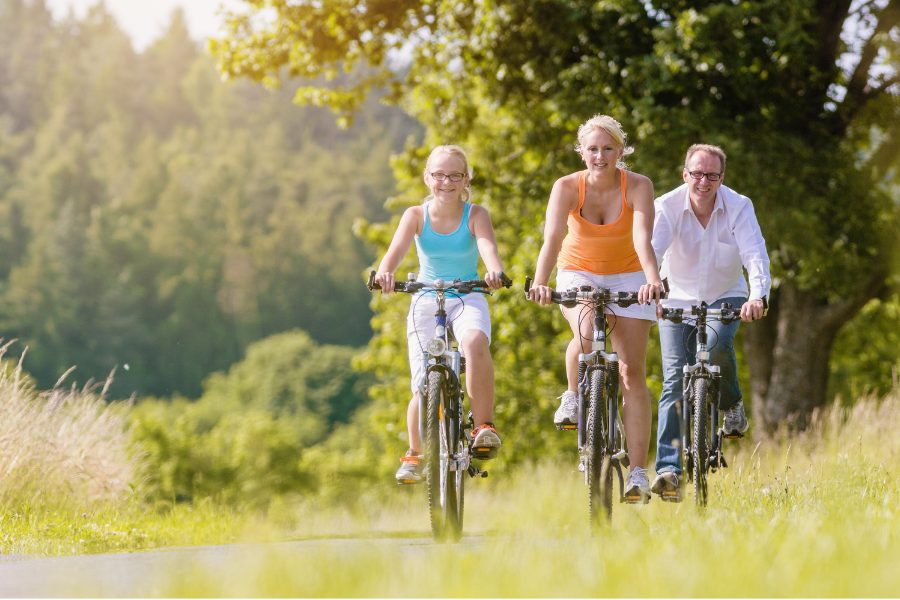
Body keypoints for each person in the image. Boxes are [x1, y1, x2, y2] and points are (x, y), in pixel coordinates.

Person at [527, 115, 664, 503]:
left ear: (621, 151)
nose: (600, 156)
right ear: (581, 152)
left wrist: (653, 280)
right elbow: (552, 238)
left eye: (607, 149)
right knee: (586, 331)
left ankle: (638, 471)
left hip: (629, 273)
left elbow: (643, 238)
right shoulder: (567, 187)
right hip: (578, 270)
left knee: (631, 370)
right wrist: (540, 281)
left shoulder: (638, 186)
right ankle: (573, 395)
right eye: (592, 149)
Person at [373, 145, 507, 485]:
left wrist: (494, 270)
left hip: (467, 294)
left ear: (466, 180)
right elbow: (396, 250)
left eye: (455, 176)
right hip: (426, 297)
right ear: (427, 178)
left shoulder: (476, 214)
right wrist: (385, 273)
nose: (446, 182)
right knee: (423, 381)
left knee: (474, 342)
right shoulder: (415, 215)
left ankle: (483, 426)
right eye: (439, 175)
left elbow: (487, 246)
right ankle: (415, 453)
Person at [650, 143, 771, 502]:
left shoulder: (739, 206)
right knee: (674, 379)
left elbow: (755, 254)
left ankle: (731, 404)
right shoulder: (666, 206)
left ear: (722, 177)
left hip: (726, 295)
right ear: (684, 174)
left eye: (712, 175)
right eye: (697, 174)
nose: (703, 182)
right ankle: (668, 470)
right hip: (676, 298)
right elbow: (651, 253)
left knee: (718, 346)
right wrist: (650, 290)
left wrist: (758, 296)